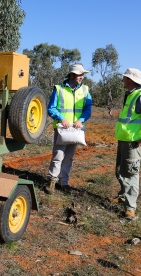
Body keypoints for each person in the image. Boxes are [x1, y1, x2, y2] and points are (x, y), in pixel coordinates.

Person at [110, 68, 141, 220]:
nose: (123, 80)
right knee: (120, 170)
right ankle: (124, 196)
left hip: (133, 142)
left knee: (130, 173)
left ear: (130, 80)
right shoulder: (130, 94)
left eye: (125, 78)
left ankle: (130, 208)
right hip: (124, 139)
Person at [45, 64, 92, 194]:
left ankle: (63, 182)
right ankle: (52, 181)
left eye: (82, 75)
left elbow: (88, 109)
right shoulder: (59, 89)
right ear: (72, 75)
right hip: (62, 129)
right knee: (58, 155)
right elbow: (51, 108)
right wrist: (61, 118)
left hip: (75, 130)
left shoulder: (85, 90)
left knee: (69, 157)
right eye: (79, 75)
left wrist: (81, 120)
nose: (82, 77)